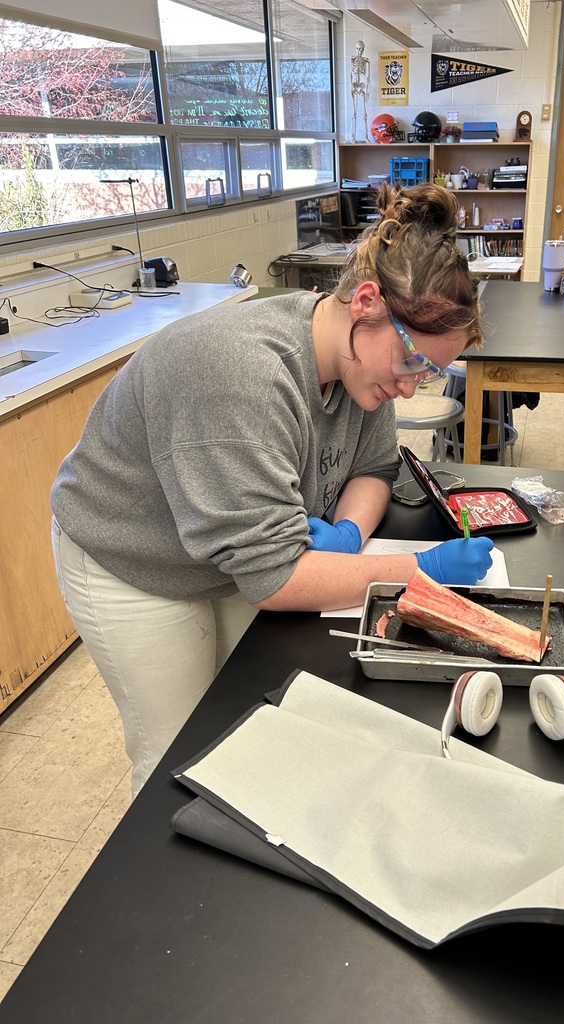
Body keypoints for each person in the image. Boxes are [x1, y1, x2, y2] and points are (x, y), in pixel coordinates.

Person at [50, 183, 491, 796]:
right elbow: (274, 581)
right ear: (366, 302)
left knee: (242, 711)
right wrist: (420, 571)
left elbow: (375, 469)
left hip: (229, 549)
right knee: (174, 752)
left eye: (431, 371)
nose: (414, 386)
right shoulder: (242, 377)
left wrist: (349, 534)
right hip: (132, 554)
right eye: (415, 360)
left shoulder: (360, 365)